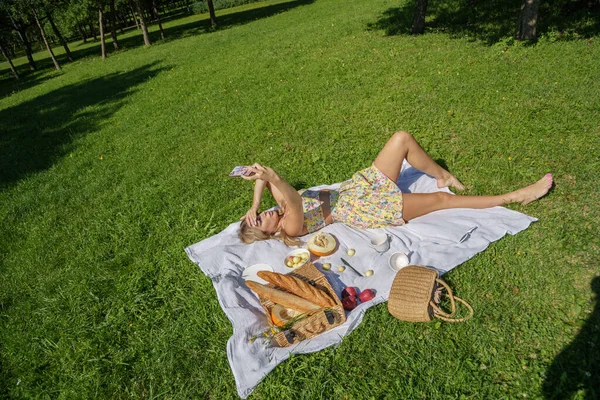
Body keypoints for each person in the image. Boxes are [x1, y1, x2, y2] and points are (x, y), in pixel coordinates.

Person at [238, 130, 553, 245]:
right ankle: (515, 196)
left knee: (401, 138)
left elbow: (264, 179)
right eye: (262, 220)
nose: (266, 212)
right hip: (361, 208)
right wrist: (276, 178)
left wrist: (253, 204)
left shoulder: (276, 208)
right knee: (441, 201)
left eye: (260, 214)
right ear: (271, 232)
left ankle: (441, 172)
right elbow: (291, 198)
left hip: (355, 188)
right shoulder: (291, 226)